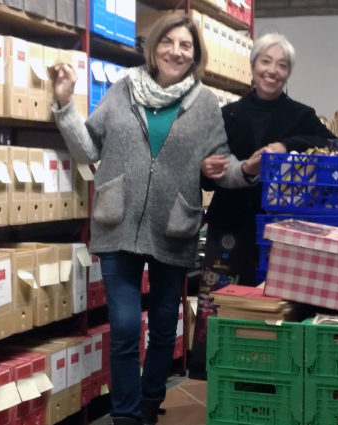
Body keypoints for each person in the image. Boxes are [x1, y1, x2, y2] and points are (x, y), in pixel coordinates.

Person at [50, 11, 268, 425]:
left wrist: (250, 168)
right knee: (127, 325)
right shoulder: (122, 90)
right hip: (117, 222)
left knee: (166, 324)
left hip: (174, 227)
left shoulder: (204, 103)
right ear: (155, 46)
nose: (176, 51)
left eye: (186, 45)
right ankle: (127, 416)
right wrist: (64, 104)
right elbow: (87, 149)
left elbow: (224, 167)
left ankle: (151, 401)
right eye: (169, 42)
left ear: (195, 54)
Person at [189, 33, 336, 378]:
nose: (272, 71)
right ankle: (215, 369)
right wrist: (205, 169)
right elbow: (209, 175)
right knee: (221, 298)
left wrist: (288, 144)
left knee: (277, 301)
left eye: (281, 65)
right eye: (265, 62)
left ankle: (276, 369)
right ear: (253, 66)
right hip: (231, 222)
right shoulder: (228, 114)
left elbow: (331, 144)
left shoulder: (302, 115)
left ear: (289, 73)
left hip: (284, 226)